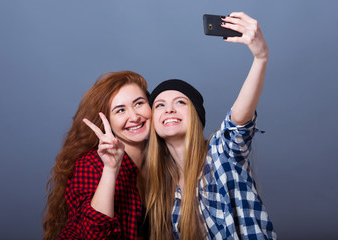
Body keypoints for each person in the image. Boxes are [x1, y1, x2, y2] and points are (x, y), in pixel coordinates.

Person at [145, 12, 277, 239]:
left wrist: (260, 58)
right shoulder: (160, 189)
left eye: (180, 102)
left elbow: (239, 118)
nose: (168, 110)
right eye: (159, 105)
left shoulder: (221, 152)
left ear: (196, 115)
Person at [43, 71, 151, 239]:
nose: (135, 117)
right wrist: (110, 169)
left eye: (139, 103)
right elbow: (93, 236)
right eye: (120, 110)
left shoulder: (162, 161)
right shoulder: (91, 164)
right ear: (107, 120)